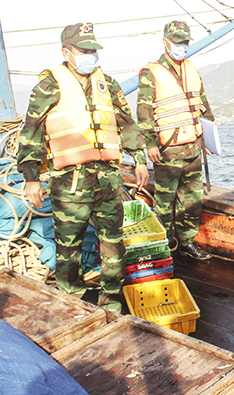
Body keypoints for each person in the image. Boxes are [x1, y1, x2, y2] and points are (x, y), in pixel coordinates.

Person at [18, 23, 149, 313]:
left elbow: (126, 124)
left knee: (114, 245)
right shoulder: (48, 86)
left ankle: (111, 305)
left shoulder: (109, 84)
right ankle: (72, 303)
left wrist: (139, 158)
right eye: (84, 50)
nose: (91, 55)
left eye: (93, 50)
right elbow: (31, 133)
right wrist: (31, 179)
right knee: (68, 249)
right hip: (70, 183)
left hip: (109, 180)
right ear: (67, 52)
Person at [137, 21, 215, 260]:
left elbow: (203, 105)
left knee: (192, 201)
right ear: (166, 41)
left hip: (193, 146)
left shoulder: (192, 69)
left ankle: (187, 242)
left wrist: (210, 138)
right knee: (165, 202)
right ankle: (163, 245)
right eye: (177, 41)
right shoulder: (150, 73)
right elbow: (143, 112)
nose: (182, 46)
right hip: (168, 150)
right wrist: (149, 144)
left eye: (185, 41)